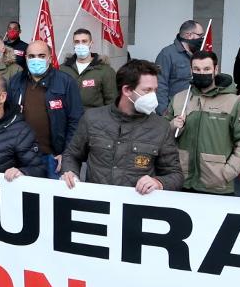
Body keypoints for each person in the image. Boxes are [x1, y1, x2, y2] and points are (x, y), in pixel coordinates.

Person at [61, 59, 182, 193]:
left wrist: (158, 182)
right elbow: (72, 155)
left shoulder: (160, 127)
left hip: (135, 207)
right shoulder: (92, 118)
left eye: (155, 90)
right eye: (147, 90)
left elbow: (175, 174)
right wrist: (70, 172)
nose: (153, 96)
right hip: (97, 204)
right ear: (127, 90)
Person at [165, 50, 240, 195]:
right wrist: (172, 126)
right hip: (181, 181)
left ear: (216, 69)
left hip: (216, 185)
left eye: (206, 69)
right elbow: (162, 136)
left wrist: (228, 172)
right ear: (191, 70)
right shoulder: (179, 99)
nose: (201, 73)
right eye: (197, 69)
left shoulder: (233, 102)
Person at [5, 39, 83, 178]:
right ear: (26, 58)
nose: (36, 60)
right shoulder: (16, 81)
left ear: (50, 58)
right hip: (23, 155)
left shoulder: (66, 82)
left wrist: (66, 153)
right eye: (31, 56)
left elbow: (75, 121)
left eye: (41, 56)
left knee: (54, 197)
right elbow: (8, 116)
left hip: (54, 157)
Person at [154, 19, 205, 114]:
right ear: (189, 35)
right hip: (175, 111)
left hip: (196, 110)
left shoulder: (199, 54)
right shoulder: (167, 54)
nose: (202, 39)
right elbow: (159, 85)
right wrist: (163, 113)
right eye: (200, 35)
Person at [60, 28, 117, 109]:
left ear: (91, 43)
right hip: (69, 119)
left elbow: (112, 101)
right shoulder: (63, 69)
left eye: (84, 41)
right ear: (73, 44)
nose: (80, 45)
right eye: (77, 42)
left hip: (94, 119)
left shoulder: (105, 70)